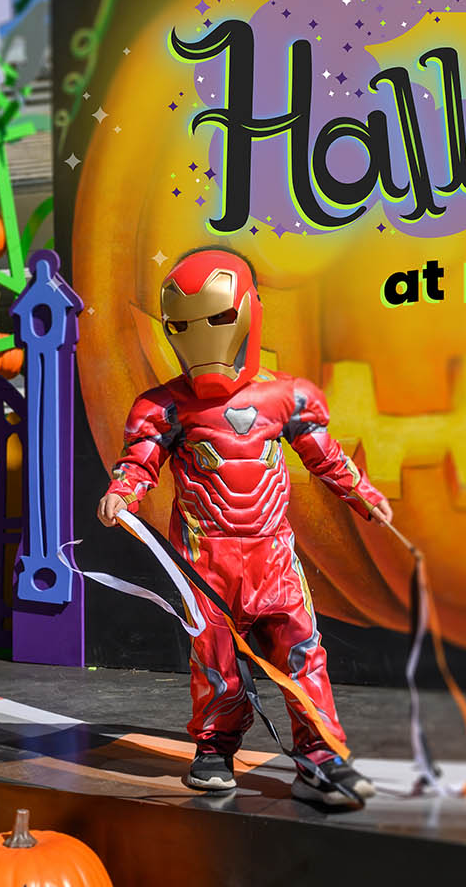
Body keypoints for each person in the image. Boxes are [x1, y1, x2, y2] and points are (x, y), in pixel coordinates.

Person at [95, 248, 390, 810]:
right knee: (214, 661)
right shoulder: (165, 407)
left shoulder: (283, 397)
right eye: (182, 325)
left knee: (303, 653)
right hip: (205, 561)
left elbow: (325, 456)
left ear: (246, 313)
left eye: (215, 318)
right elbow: (140, 461)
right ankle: (213, 748)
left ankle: (322, 756)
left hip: (273, 557)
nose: (200, 336)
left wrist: (363, 496)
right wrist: (122, 492)